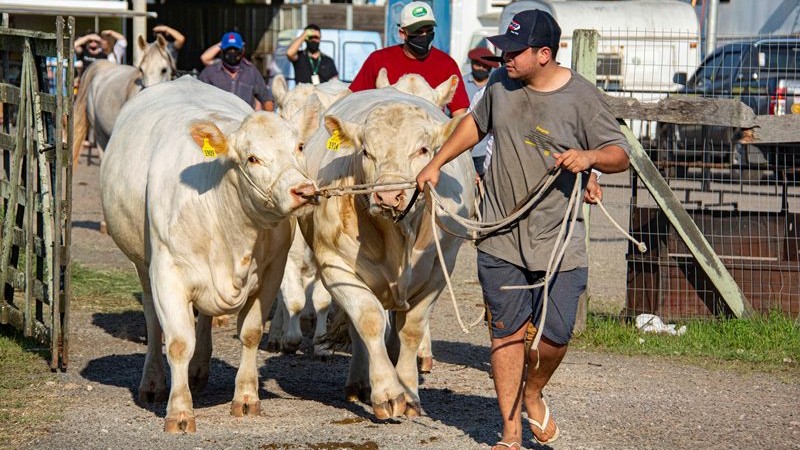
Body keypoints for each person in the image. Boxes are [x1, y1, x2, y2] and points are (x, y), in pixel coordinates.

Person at [416, 9, 630, 450]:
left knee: (555, 336)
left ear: (545, 54)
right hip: (499, 231)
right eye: (503, 50)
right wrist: (435, 163)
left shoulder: (583, 99)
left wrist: (589, 160)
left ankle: (532, 390)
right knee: (507, 333)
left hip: (557, 238)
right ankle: (510, 435)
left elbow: (619, 154)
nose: (504, 58)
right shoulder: (499, 84)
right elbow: (475, 124)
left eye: (514, 51)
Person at [348, 1, 470, 116]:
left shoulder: (446, 64)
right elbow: (353, 101)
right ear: (402, 34)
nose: (424, 36)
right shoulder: (379, 60)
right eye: (418, 31)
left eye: (429, 30)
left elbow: (460, 114)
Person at [198, 31, 274, 112]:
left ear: (242, 51)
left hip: (244, 120)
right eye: (228, 49)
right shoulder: (210, 73)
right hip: (217, 120)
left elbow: (266, 99)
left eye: (235, 49)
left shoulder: (251, 72)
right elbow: (198, 100)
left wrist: (269, 119)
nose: (232, 52)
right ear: (222, 51)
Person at [464, 47, 500, 176]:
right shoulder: (461, 84)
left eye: (484, 66)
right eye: (477, 64)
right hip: (463, 147)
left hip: (484, 152)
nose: (480, 68)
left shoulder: (495, 87)